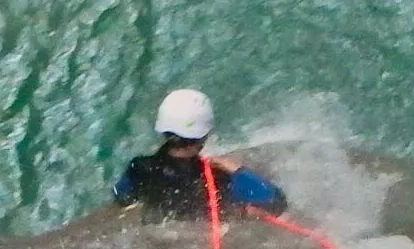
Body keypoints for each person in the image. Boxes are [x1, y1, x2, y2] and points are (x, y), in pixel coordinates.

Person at [113, 88, 288, 218]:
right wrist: (237, 170)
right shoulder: (217, 178)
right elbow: (277, 204)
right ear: (204, 135)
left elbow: (121, 195)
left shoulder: (139, 168)